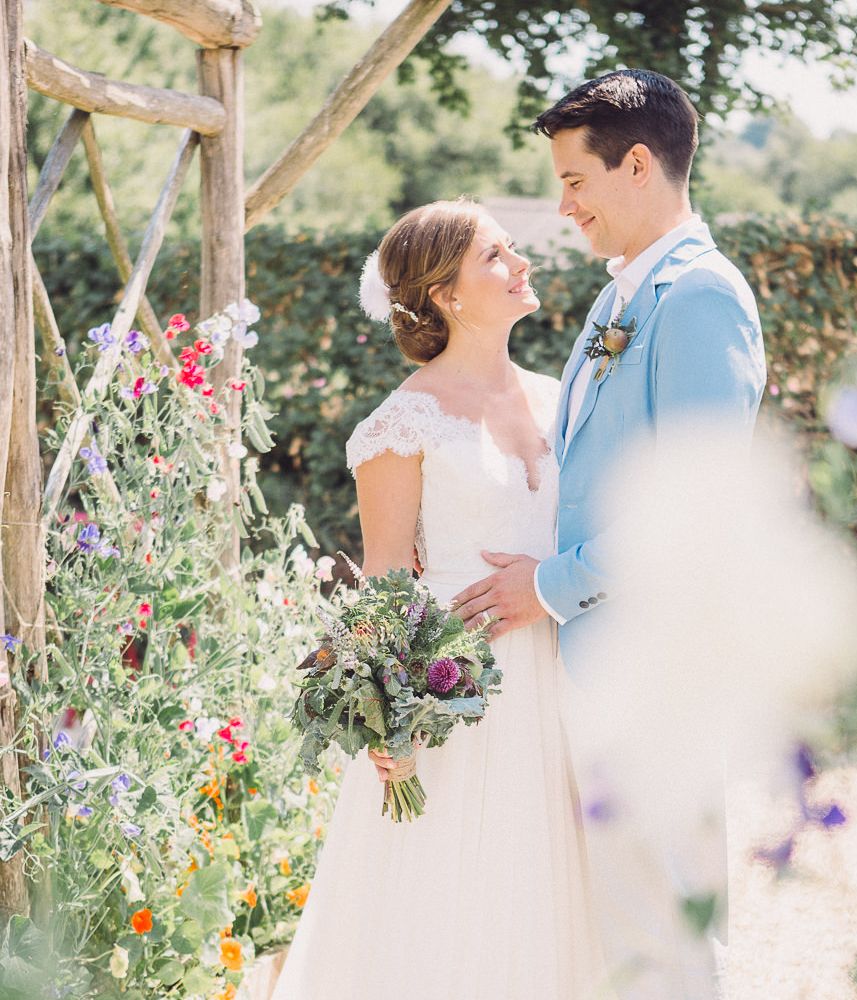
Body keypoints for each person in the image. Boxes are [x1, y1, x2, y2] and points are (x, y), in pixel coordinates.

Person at [450, 70, 767, 998]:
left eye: (575, 181)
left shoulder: (699, 296)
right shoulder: (619, 295)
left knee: (661, 934)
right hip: (597, 662)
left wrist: (549, 586)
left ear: (636, 165)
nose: (564, 206)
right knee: (619, 934)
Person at [269, 199, 606, 1000]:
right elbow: (386, 583)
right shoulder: (401, 424)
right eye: (496, 255)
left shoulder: (566, 398)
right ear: (446, 295)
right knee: (452, 905)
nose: (521, 263)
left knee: (557, 903)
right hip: (459, 697)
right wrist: (392, 725)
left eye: (513, 248)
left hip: (567, 680)